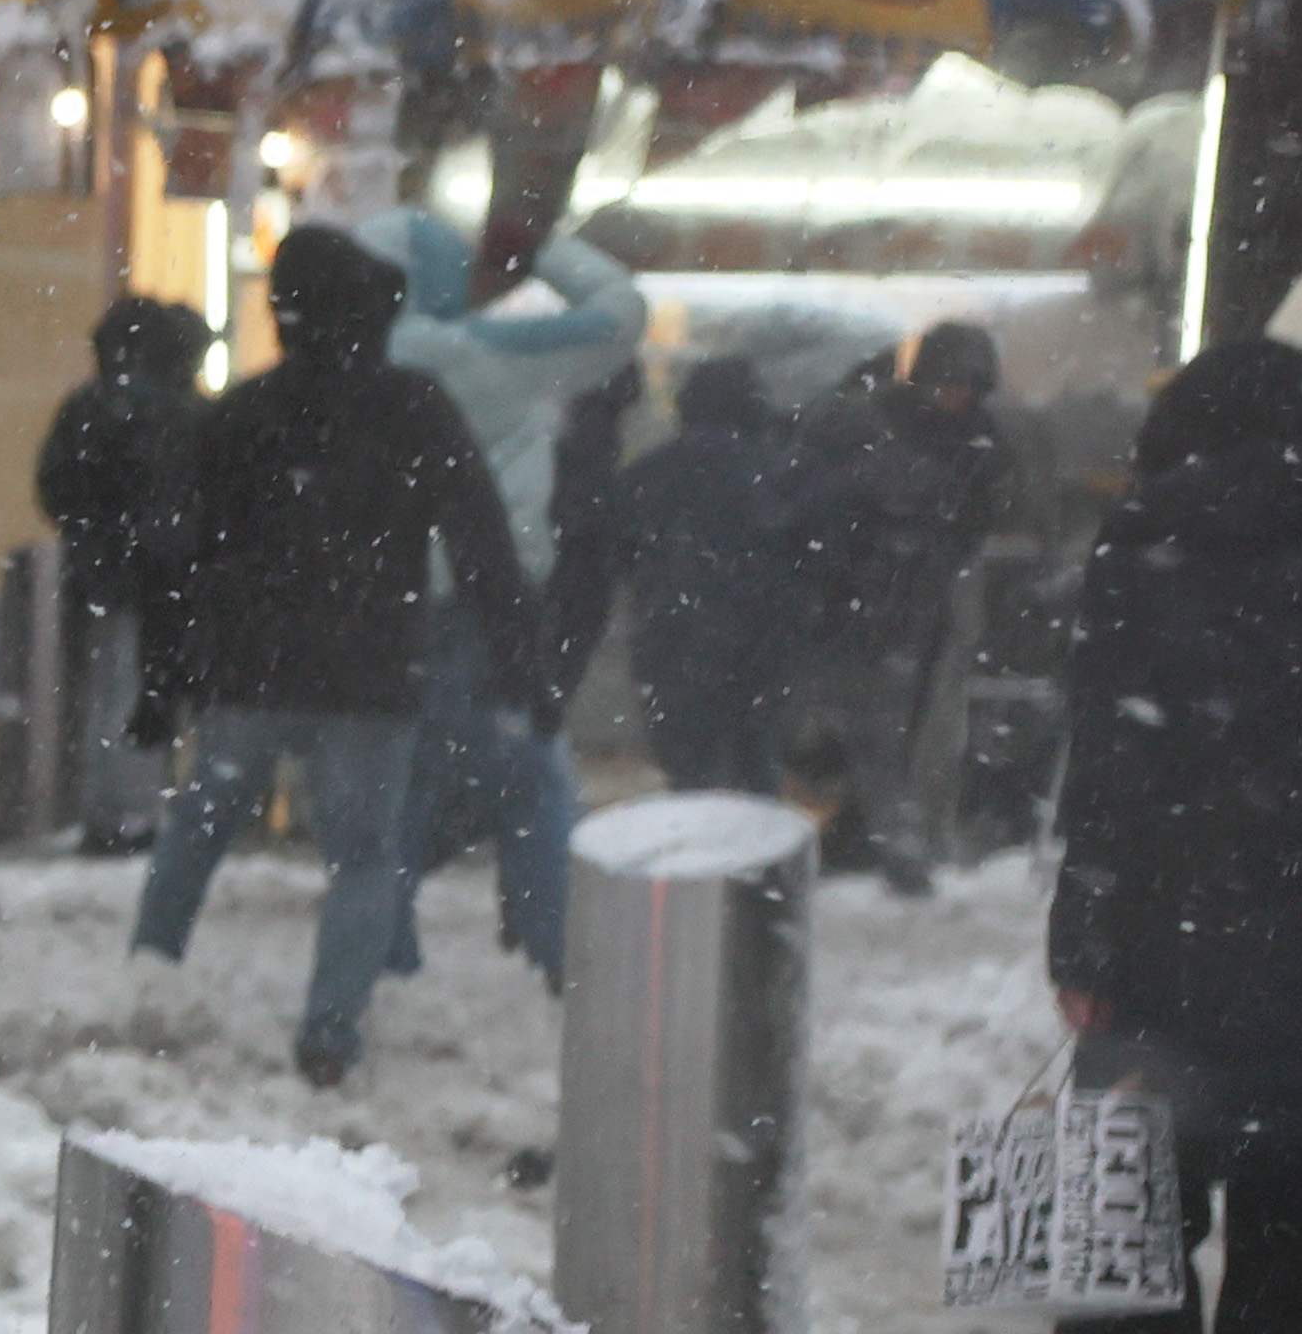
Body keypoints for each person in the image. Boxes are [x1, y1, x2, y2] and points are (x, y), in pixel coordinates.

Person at [1039, 339, 1302, 1334]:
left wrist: (1085, 932)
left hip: (1166, 927)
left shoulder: (1143, 539)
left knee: (1133, 1187)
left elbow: (1107, 756)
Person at [124, 222, 546, 1087]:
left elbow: (181, 554)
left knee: (202, 825)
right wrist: (522, 662)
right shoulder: (415, 409)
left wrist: (166, 677)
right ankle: (330, 1030)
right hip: (371, 672)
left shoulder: (242, 415)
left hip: (252, 666)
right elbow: (481, 542)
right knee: (363, 858)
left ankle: (148, 979)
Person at [367, 207, 644, 982]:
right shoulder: (499, 351)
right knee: (533, 778)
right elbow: (621, 314)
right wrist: (537, 246)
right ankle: (557, 950)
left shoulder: (352, 364)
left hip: (382, 600)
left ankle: (385, 949)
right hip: (494, 594)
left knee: (400, 785)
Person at [780, 324, 1017, 894]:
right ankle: (887, 847)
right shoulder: (887, 429)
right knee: (873, 734)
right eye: (949, 383)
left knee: (886, 732)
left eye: (967, 386)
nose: (957, 395)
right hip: (865, 603)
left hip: (911, 606)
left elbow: (973, 518)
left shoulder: (970, 440)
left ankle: (863, 837)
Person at [574, 356, 811, 790]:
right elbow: (802, 554)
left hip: (673, 638)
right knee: (756, 763)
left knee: (691, 772)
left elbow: (614, 552)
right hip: (760, 642)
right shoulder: (776, 474)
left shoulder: (648, 473)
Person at [31, 298, 211, 850]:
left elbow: (54, 487)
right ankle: (136, 811)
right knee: (147, 691)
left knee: (107, 690)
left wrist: (90, 531)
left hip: (102, 573)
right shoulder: (184, 412)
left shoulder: (90, 406)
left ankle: (106, 811)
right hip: (170, 575)